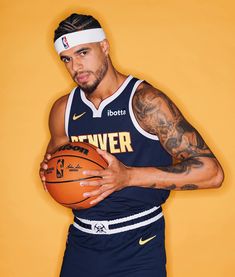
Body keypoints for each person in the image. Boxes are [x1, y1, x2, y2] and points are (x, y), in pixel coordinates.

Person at [40, 13, 224, 277]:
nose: (76, 67)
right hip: (82, 243)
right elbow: (56, 165)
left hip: (138, 244)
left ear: (104, 47)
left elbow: (212, 173)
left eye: (83, 53)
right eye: (67, 59)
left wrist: (128, 177)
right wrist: (50, 172)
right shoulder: (64, 109)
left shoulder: (146, 102)